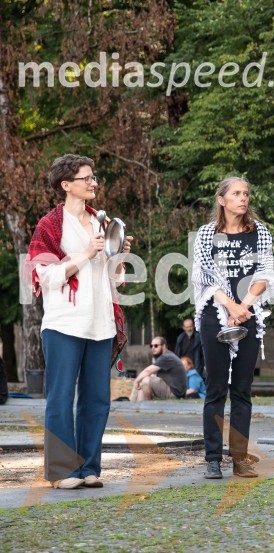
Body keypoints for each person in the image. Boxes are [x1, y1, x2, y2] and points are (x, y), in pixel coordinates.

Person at [25, 154, 132, 489]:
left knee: (97, 398)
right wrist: (86, 253)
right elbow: (47, 276)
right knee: (60, 397)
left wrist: (119, 256)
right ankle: (61, 471)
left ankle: (88, 467)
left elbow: (114, 280)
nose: (93, 183)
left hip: (100, 323)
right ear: (66, 185)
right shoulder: (49, 226)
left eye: (94, 177)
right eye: (86, 178)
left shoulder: (104, 223)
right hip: (64, 324)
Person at [192, 176, 274, 480]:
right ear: (222, 200)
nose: (243, 198)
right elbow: (205, 277)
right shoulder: (205, 234)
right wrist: (231, 306)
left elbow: (266, 272)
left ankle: (240, 458)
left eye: (246, 194)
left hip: (249, 311)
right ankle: (213, 458)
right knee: (215, 388)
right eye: (237, 194)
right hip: (215, 312)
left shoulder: (260, 233)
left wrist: (246, 305)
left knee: (242, 390)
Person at [130, 337, 187, 401]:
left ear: (164, 346)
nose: (153, 348)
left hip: (175, 394)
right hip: (174, 391)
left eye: (156, 346)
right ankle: (135, 405)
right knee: (144, 379)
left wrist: (136, 380)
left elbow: (148, 371)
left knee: (145, 380)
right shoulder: (165, 356)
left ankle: (145, 405)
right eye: (151, 346)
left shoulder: (166, 357)